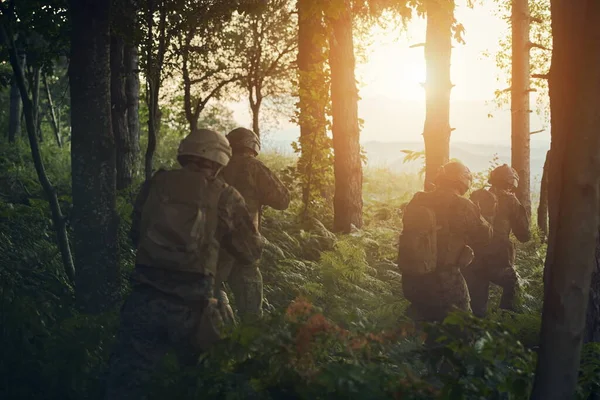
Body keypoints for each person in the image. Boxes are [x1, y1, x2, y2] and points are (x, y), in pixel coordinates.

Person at [104, 129, 262, 400]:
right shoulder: (226, 195)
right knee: (202, 382)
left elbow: (135, 234)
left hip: (144, 299)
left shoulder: (156, 184)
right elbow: (251, 252)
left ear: (184, 153)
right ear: (220, 160)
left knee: (127, 382)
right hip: (194, 305)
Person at [397, 161, 493, 323]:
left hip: (413, 278)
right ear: (463, 181)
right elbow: (484, 237)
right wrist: (484, 214)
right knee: (463, 330)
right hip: (446, 281)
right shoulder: (462, 204)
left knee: (419, 328)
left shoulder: (419, 198)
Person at [216, 127, 290, 320]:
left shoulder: (216, 165)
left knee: (212, 290)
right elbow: (282, 200)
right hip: (244, 244)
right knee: (251, 311)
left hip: (213, 243)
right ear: (253, 146)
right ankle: (247, 345)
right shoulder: (253, 166)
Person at [463, 164, 530, 317]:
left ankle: (475, 334)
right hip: (497, 260)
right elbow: (524, 235)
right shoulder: (511, 202)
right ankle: (507, 321)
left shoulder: (476, 196)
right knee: (514, 286)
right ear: (511, 183)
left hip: (472, 259)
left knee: (476, 308)